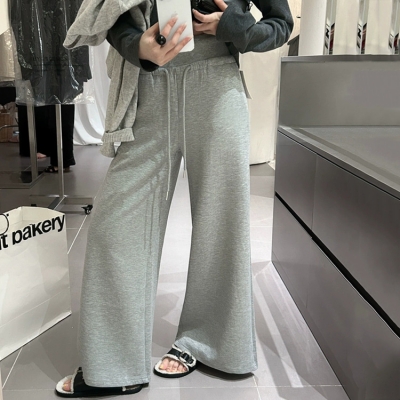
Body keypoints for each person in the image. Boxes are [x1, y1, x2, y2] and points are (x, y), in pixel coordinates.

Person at [55, 0, 293, 397]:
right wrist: (137, 46)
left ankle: (211, 344)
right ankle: (114, 364)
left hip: (217, 85)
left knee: (222, 222)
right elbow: (114, 14)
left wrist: (233, 25)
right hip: (148, 88)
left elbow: (280, 25)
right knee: (115, 226)